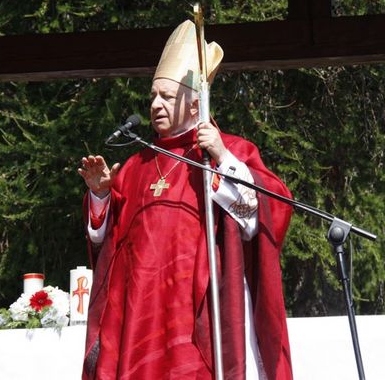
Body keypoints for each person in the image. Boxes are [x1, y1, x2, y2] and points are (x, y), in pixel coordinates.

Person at [78, 20, 294, 379]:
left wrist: (224, 158)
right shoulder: (134, 166)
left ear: (196, 104)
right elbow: (107, 246)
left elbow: (261, 219)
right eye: (152, 96)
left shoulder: (228, 153)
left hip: (200, 312)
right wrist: (101, 196)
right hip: (141, 314)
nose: (155, 105)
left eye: (167, 96)